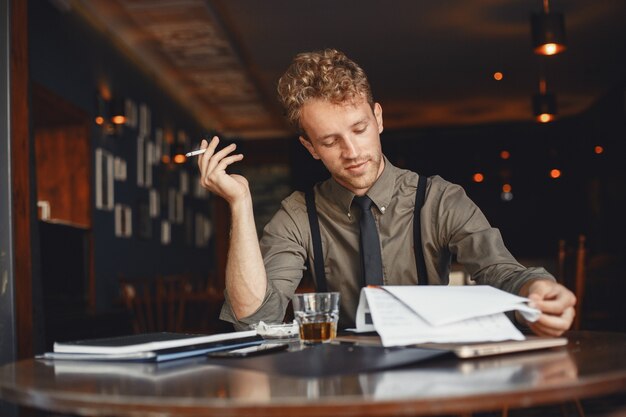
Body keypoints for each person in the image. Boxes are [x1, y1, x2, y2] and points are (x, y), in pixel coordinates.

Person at [197, 48, 576, 336]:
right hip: (342, 385)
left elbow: (499, 270)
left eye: (359, 130)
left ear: (378, 118)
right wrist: (240, 203)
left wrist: (537, 289)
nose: (352, 152)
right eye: (330, 141)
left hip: (434, 375)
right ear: (310, 148)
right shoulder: (298, 214)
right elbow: (253, 320)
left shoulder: (439, 199)